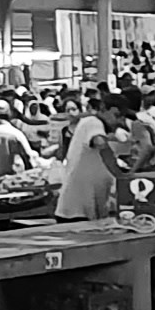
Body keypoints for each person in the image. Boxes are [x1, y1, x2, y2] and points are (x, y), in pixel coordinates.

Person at [53, 92, 116, 220]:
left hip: (80, 207)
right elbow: (99, 142)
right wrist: (117, 170)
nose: (116, 120)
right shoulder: (93, 122)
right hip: (77, 211)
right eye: (116, 115)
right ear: (104, 110)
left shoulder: (88, 122)